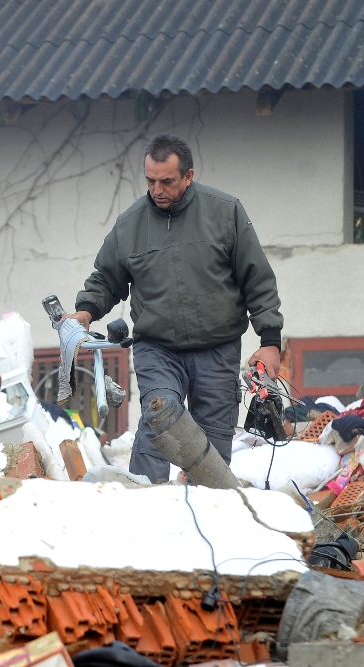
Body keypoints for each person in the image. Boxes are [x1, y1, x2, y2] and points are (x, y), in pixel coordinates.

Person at [69, 134, 283, 483]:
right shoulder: (130, 225)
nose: (157, 190)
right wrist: (85, 311)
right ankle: (145, 503)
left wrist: (270, 340)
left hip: (218, 348)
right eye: (150, 181)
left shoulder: (225, 212)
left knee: (212, 446)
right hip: (158, 348)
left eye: (167, 181)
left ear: (188, 176)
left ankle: (207, 510)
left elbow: (256, 278)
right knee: (159, 419)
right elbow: (106, 278)